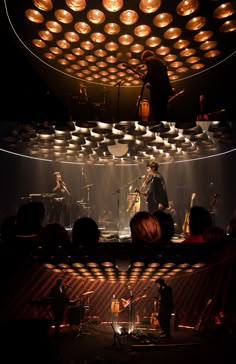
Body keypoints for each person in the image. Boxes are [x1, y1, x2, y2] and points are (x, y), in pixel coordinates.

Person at [139, 49, 174, 123]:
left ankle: (159, 128)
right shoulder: (161, 62)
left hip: (158, 91)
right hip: (165, 89)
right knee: (163, 110)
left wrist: (144, 78)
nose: (145, 62)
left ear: (146, 57)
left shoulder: (151, 61)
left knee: (157, 111)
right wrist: (150, 84)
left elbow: (151, 74)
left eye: (145, 60)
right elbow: (158, 77)